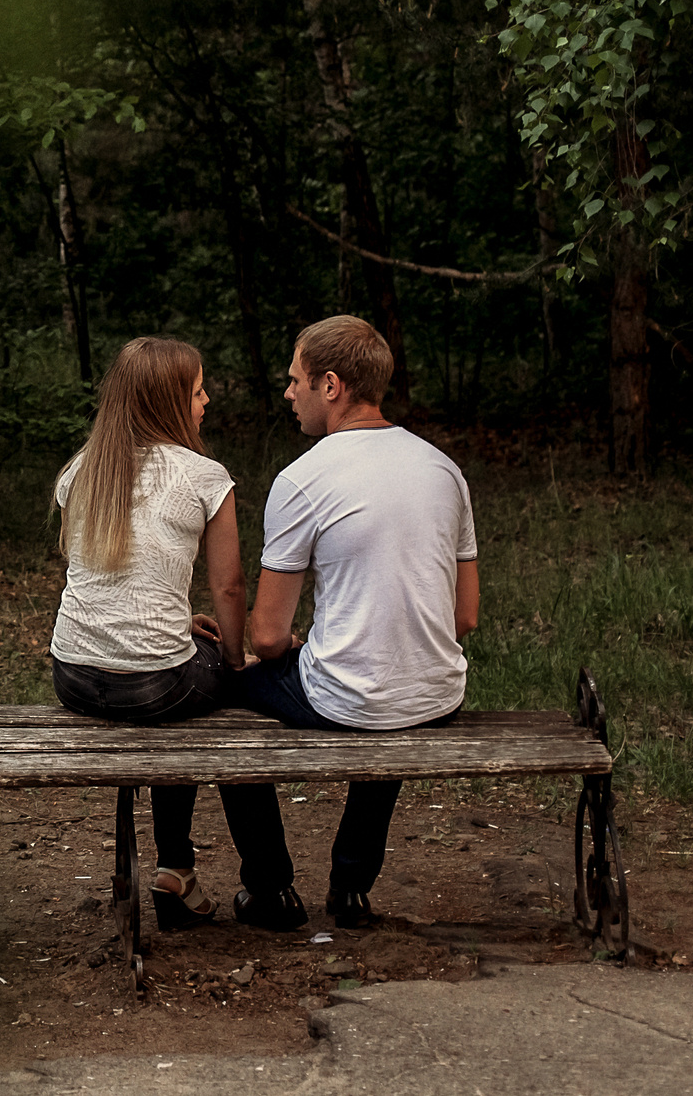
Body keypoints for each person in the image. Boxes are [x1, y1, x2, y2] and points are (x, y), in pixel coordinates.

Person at [49, 336, 306, 933]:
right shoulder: (204, 476)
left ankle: (176, 870)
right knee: (236, 703)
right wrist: (236, 657)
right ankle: (268, 885)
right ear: (167, 402)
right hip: (155, 686)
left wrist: (174, 624)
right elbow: (232, 589)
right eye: (196, 392)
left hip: (74, 678)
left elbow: (96, 574)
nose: (207, 400)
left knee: (186, 694)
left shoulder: (79, 470)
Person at [241, 314, 480, 929]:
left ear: (330, 385)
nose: (288, 393)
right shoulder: (443, 469)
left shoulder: (303, 479)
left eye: (294, 381)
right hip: (437, 693)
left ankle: (269, 887)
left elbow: (266, 638)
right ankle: (350, 886)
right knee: (387, 682)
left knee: (226, 693)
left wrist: (285, 645)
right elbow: (465, 617)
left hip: (347, 696)